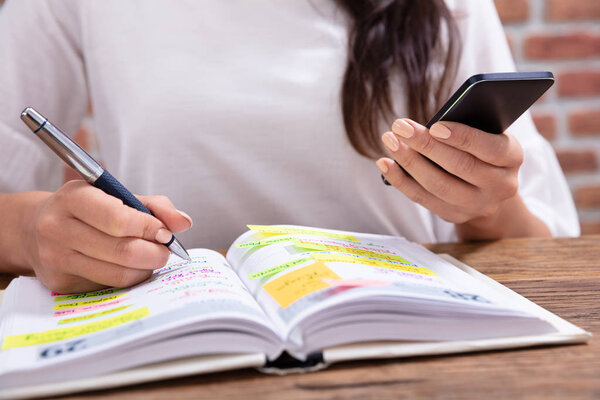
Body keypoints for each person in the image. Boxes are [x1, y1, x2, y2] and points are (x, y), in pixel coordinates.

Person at [0, 0, 579, 293]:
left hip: (406, 329)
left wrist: (486, 201)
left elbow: (535, 244)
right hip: (174, 331)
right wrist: (30, 230)